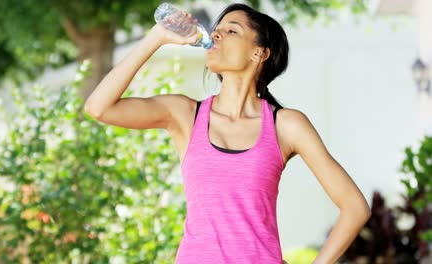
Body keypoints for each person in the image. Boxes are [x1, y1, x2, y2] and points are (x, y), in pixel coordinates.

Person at [84, 3, 371, 264]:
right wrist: (156, 38)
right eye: (216, 31)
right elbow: (99, 108)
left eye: (231, 30)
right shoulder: (185, 114)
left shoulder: (286, 125)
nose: (216, 35)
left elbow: (355, 207)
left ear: (259, 53)